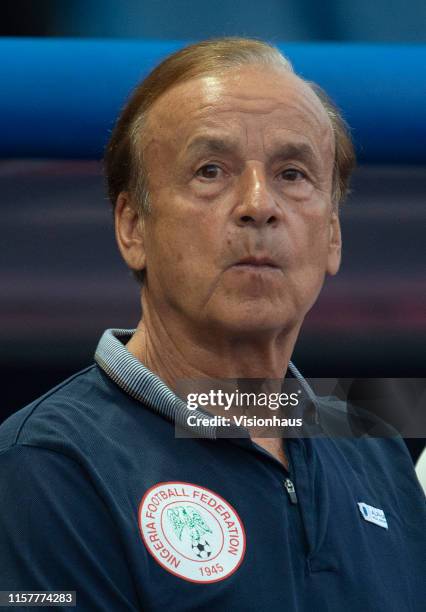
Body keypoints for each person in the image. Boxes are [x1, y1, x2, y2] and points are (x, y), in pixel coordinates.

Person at [0, 38, 424, 611]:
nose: (258, 204)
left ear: (332, 235)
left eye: (293, 174)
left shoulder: (377, 448)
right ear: (132, 227)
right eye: (210, 171)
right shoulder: (47, 466)